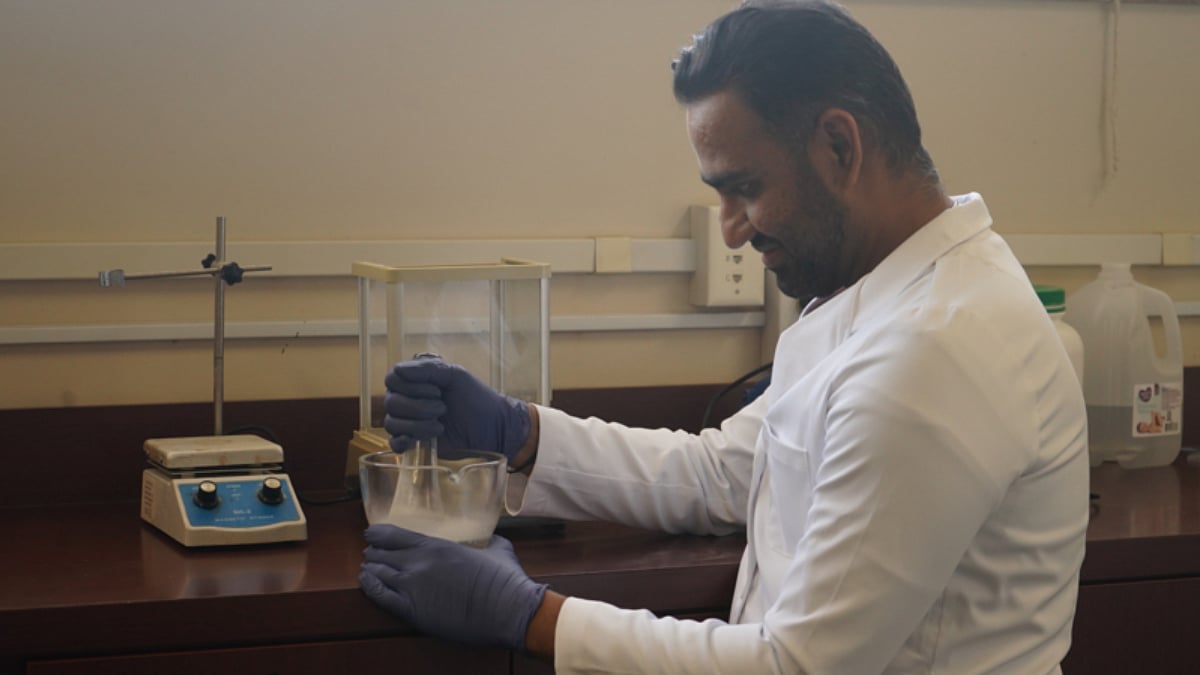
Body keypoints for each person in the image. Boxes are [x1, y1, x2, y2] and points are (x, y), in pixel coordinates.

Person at [358, 1, 1090, 672]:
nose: (733, 231)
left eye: (745, 188)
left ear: (840, 147)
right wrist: (523, 434)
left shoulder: (936, 352)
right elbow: (729, 475)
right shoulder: (880, 296)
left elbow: (795, 666)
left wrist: (533, 617)